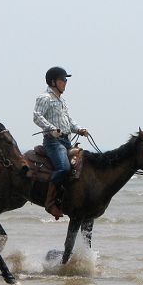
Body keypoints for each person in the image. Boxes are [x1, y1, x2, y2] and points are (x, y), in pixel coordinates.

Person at [33, 66, 88, 219]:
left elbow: (69, 121)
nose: (65, 83)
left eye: (65, 80)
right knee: (63, 168)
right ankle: (50, 203)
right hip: (53, 142)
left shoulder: (62, 101)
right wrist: (51, 129)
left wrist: (80, 129)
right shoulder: (44, 97)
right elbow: (37, 116)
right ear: (53, 81)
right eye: (62, 80)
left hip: (66, 141)